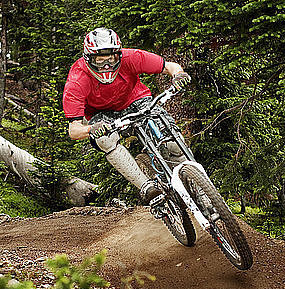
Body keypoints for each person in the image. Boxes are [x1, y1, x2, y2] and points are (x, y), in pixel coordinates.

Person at [63, 27, 191, 205]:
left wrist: (179, 75)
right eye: (100, 59)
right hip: (102, 115)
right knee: (104, 140)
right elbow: (74, 130)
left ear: (119, 54)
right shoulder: (77, 79)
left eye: (111, 57)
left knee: (171, 140)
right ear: (88, 58)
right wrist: (92, 128)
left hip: (136, 99)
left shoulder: (131, 57)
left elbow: (169, 66)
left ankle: (196, 180)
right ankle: (146, 186)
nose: (106, 64)